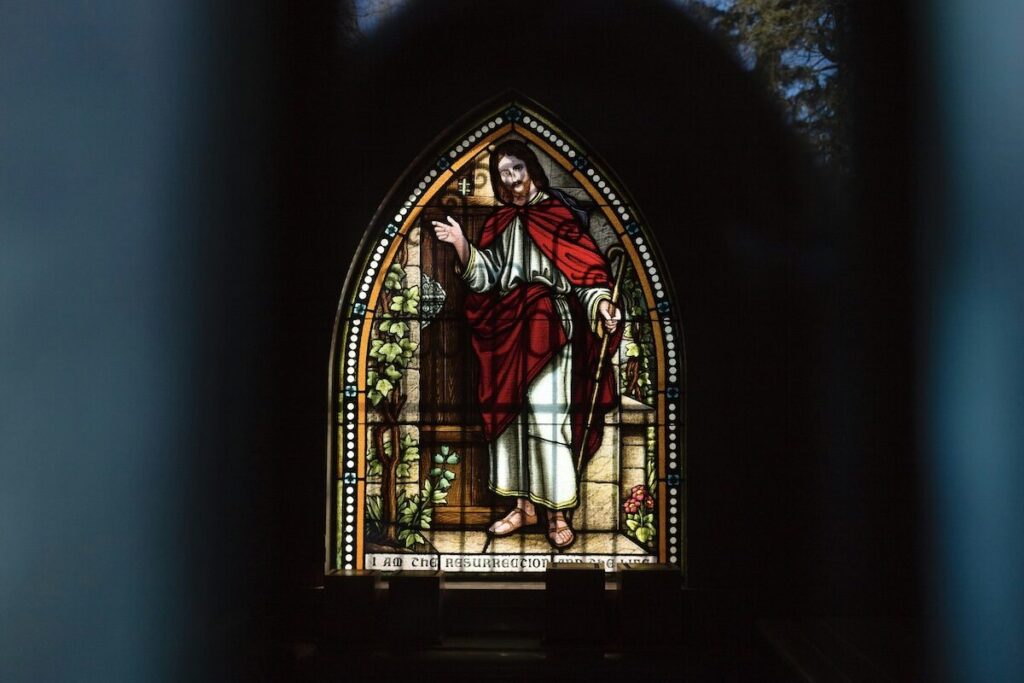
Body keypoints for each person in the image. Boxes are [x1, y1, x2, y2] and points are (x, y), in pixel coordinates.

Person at [432, 139, 621, 549]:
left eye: (516, 169)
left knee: (546, 417)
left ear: (531, 170)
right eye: (503, 173)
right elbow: (485, 277)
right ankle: (522, 507)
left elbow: (586, 276)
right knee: (510, 419)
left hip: (547, 323)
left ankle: (557, 515)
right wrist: (463, 243)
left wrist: (603, 304)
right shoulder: (500, 222)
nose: (511, 179)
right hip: (507, 325)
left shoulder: (557, 217)